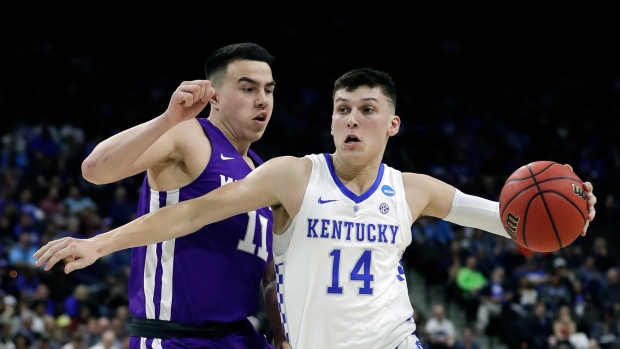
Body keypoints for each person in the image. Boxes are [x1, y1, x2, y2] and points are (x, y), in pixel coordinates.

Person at [34, 68, 598, 349]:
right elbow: (189, 214)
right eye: (342, 109)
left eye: (367, 110)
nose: (352, 119)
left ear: (392, 124)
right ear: (330, 119)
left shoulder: (414, 189)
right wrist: (100, 242)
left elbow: (507, 216)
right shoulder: (292, 175)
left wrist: (576, 206)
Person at [56, 43, 288, 349]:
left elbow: (269, 276)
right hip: (175, 337)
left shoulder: (262, 172)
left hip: (240, 337)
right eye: (248, 89)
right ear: (213, 96)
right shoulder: (191, 135)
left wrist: (282, 336)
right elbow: (94, 170)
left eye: (268, 91)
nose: (262, 101)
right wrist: (168, 119)